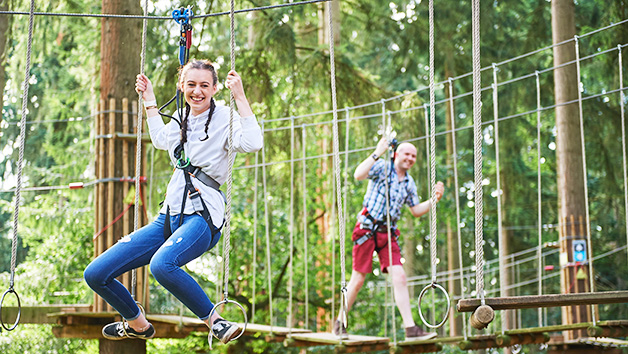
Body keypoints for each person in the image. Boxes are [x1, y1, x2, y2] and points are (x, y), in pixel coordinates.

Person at [84, 59, 263, 344]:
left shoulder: (225, 117)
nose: (197, 91)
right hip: (168, 216)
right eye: (191, 85)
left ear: (215, 88)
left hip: (201, 216)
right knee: (96, 273)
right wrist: (150, 100)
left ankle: (215, 321)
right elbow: (159, 139)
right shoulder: (180, 117)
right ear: (182, 86)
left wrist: (240, 96)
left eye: (205, 85)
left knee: (162, 265)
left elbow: (253, 143)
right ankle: (137, 323)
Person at [334, 137, 444, 341]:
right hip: (366, 228)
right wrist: (377, 152)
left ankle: (410, 329)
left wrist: (433, 200)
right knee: (357, 280)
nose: (410, 158)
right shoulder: (383, 167)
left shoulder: (409, 183)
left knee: (400, 277)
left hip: (388, 233)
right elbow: (358, 175)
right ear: (396, 154)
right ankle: (340, 322)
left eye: (413, 156)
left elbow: (416, 210)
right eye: (406, 154)